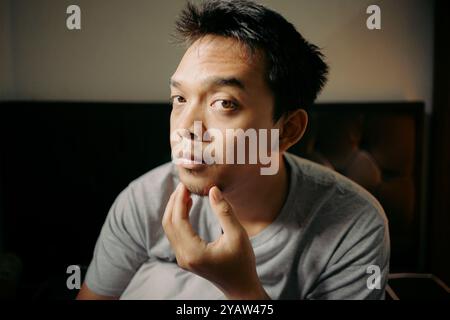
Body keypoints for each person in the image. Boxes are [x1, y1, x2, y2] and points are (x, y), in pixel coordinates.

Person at [77, 0, 389, 300]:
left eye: (224, 103)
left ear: (287, 130)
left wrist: (241, 288)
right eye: (179, 99)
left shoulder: (354, 224)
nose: (186, 127)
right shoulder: (144, 200)